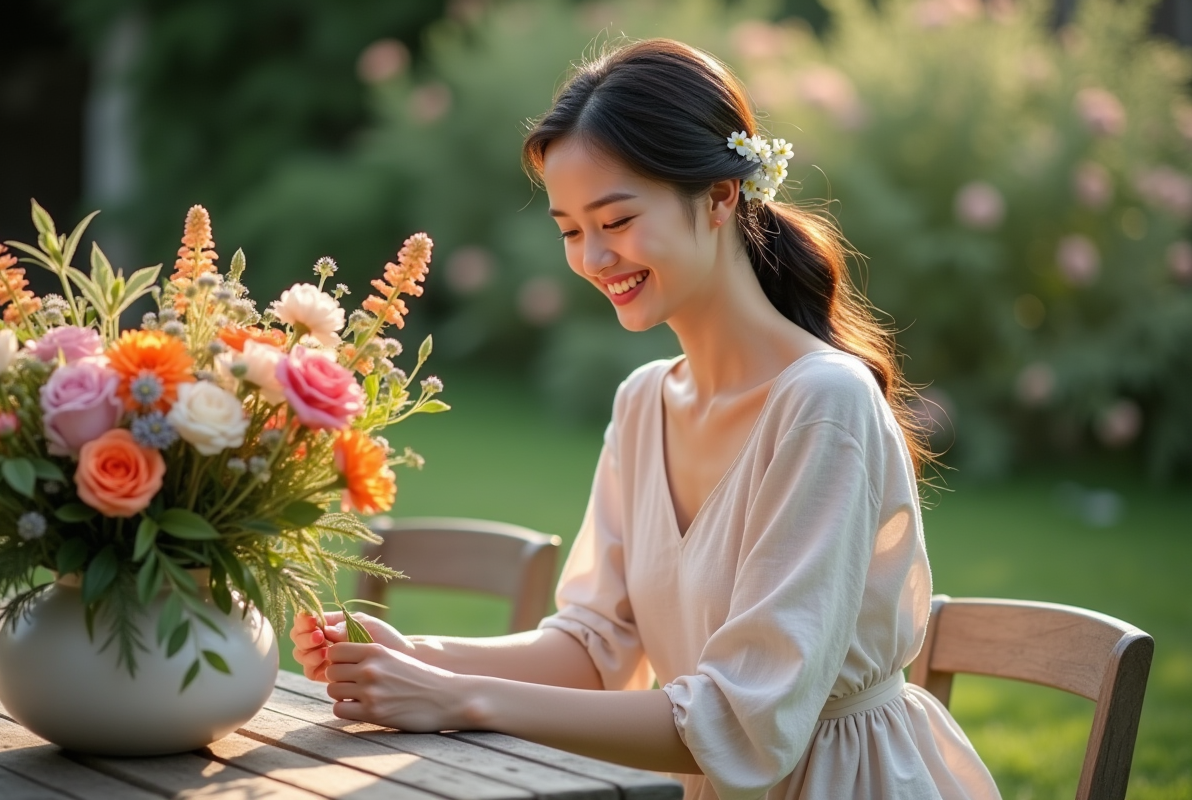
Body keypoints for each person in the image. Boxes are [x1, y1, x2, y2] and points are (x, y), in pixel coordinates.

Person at [291, 38, 1002, 800]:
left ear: (722, 196)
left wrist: (459, 699)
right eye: (571, 230)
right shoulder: (644, 402)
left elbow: (744, 722)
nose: (594, 258)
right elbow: (597, 646)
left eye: (617, 219)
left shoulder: (825, 404)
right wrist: (418, 657)